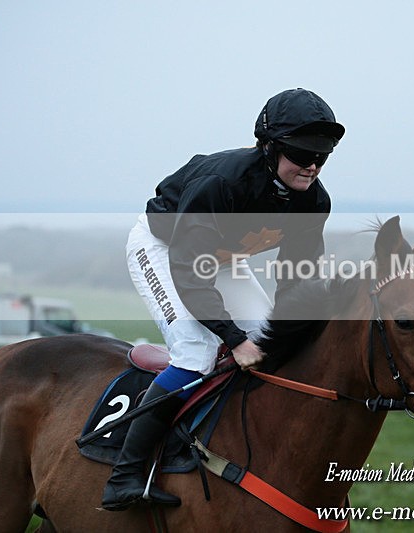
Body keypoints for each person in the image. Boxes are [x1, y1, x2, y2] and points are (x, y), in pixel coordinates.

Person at [101, 88, 345, 511]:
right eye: (301, 155)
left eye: (321, 157)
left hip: (223, 258)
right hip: (167, 250)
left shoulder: (313, 199)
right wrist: (231, 337)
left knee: (267, 341)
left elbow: (296, 275)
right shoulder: (222, 183)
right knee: (196, 351)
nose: (312, 167)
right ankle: (124, 475)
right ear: (269, 148)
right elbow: (189, 269)